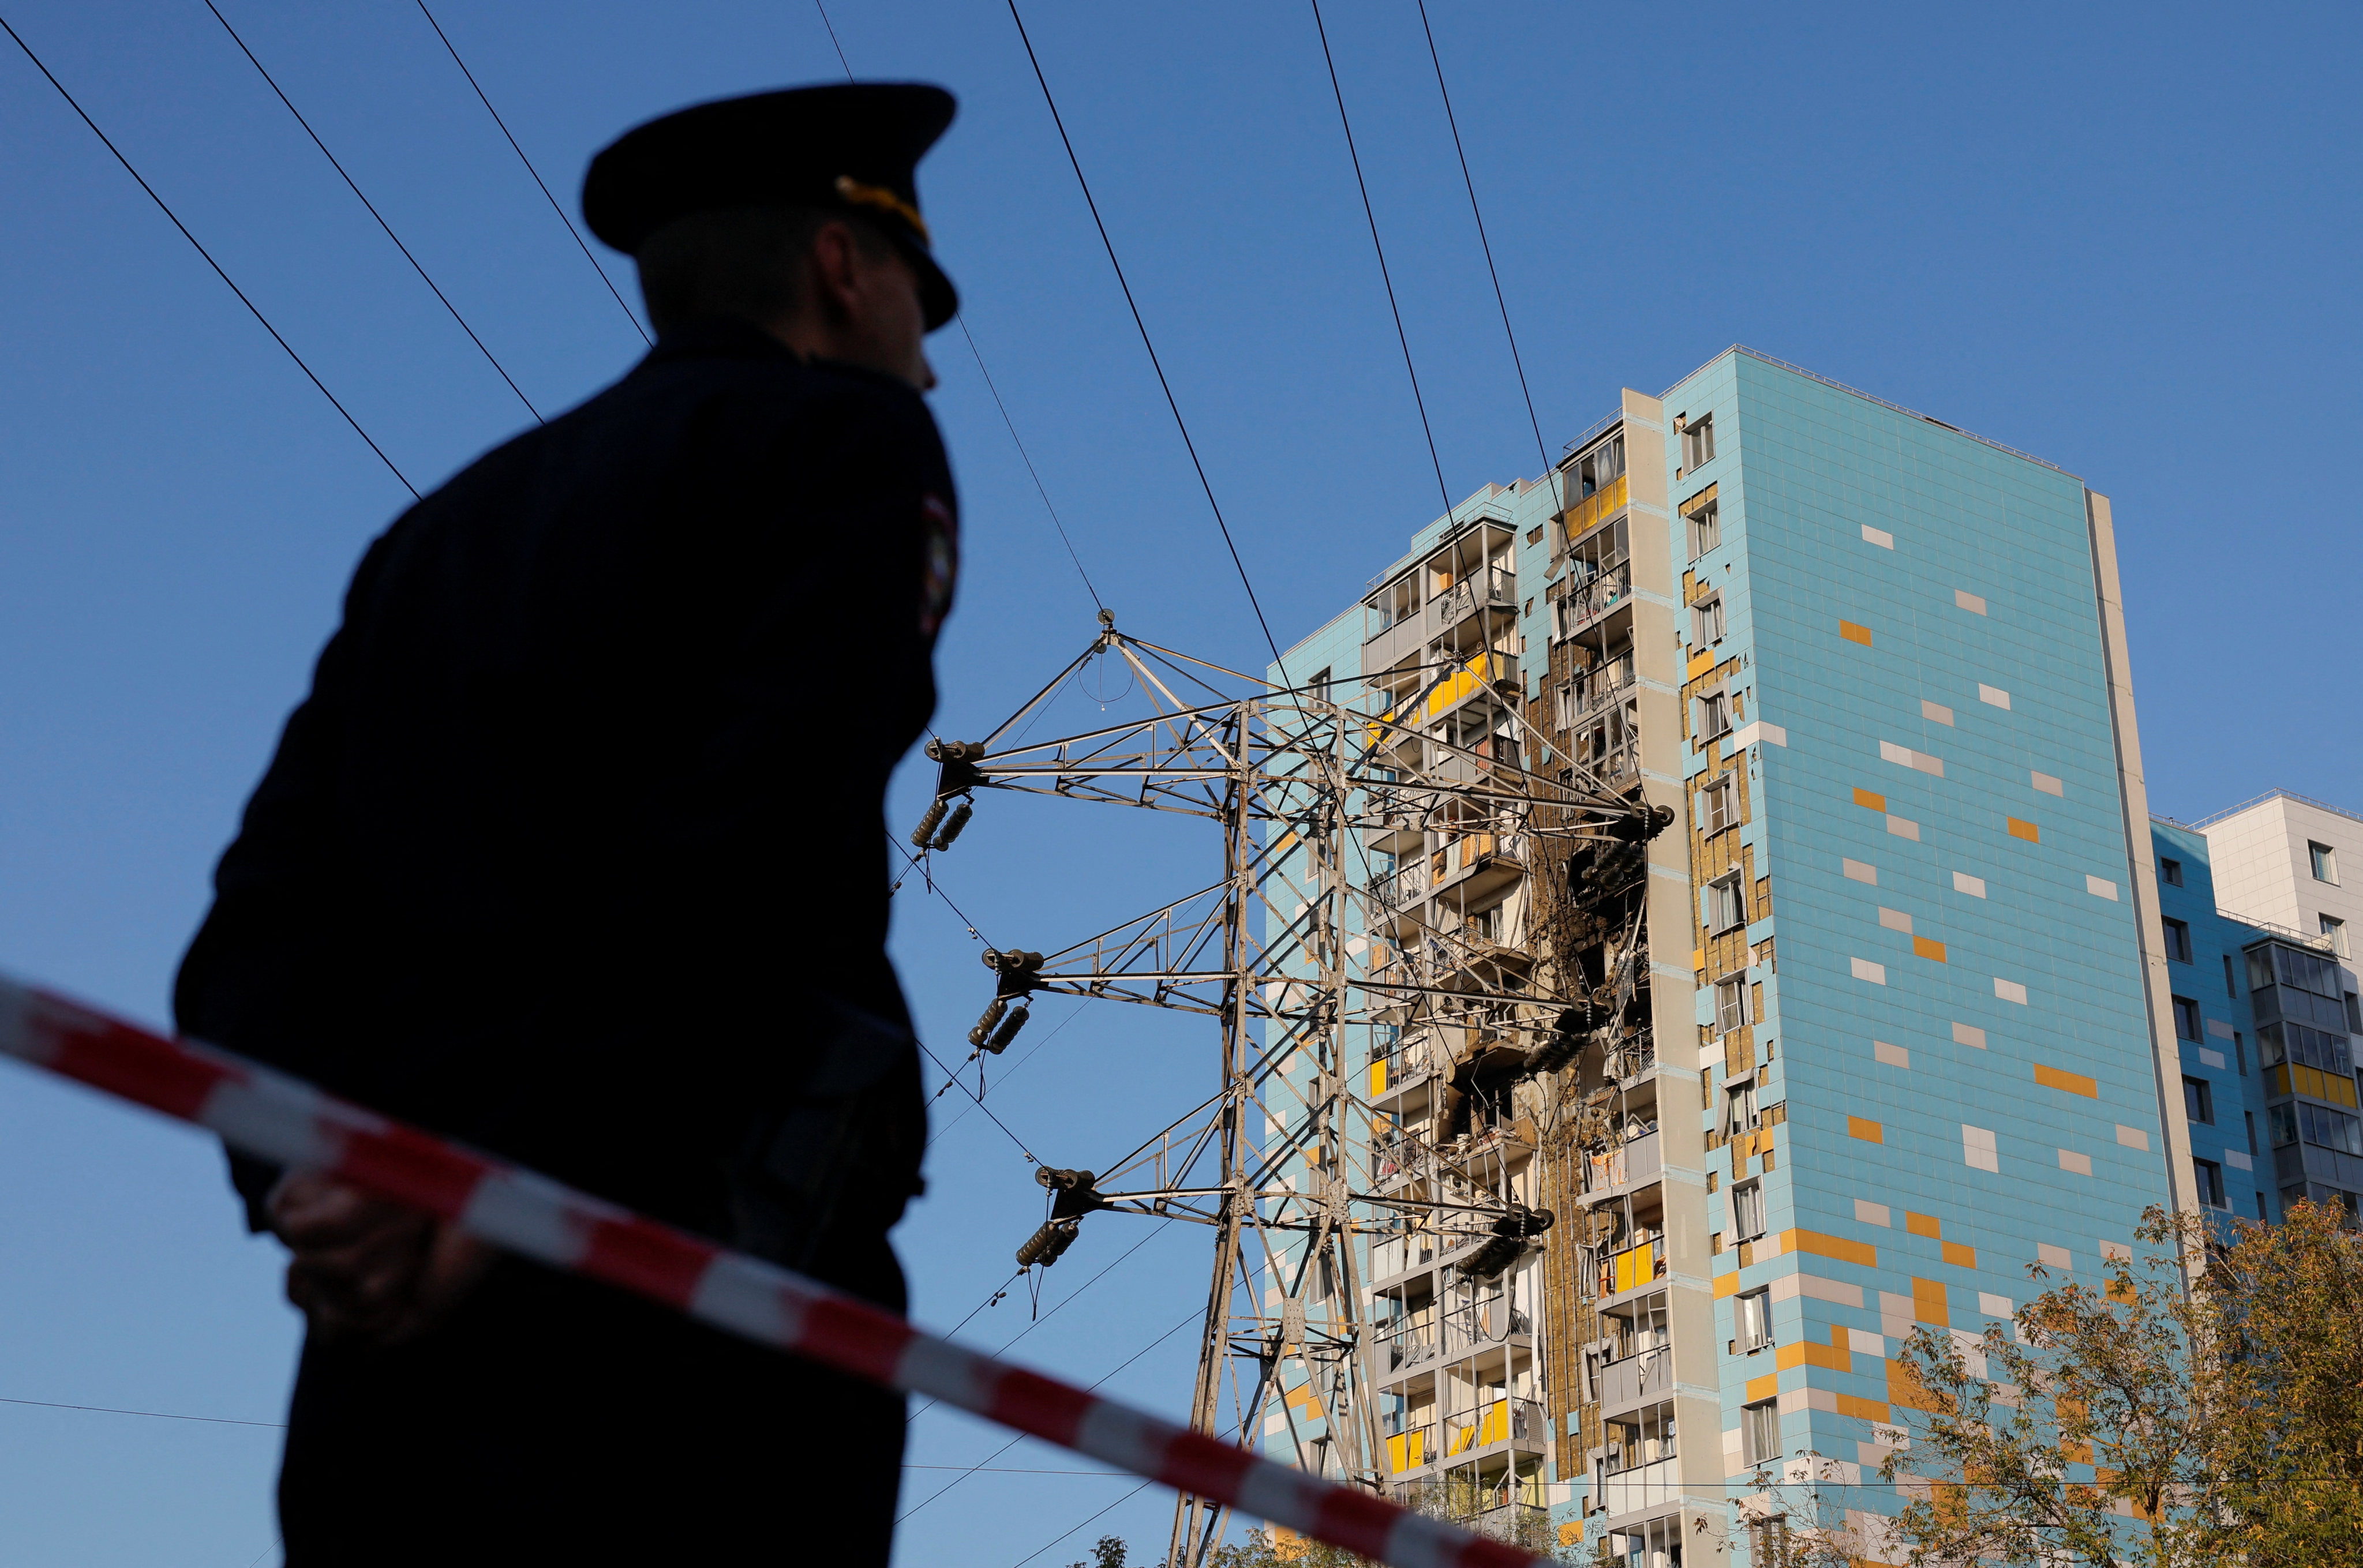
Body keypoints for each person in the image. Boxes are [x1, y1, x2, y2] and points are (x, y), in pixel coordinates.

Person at [172, 82, 963, 1565]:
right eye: (923, 307)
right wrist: (530, 1186)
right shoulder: (843, 446)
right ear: (843, 270)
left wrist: (316, 1188)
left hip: (387, 1363)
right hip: (685, 1298)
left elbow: (258, 923)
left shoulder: (440, 533)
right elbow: (753, 841)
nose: (928, 370)